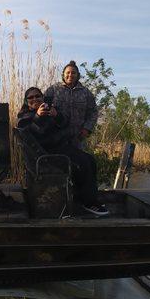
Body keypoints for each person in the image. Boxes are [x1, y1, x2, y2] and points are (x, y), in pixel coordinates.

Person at [17, 87, 109, 216]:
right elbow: (31, 134)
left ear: (42, 97)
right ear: (26, 101)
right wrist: (38, 116)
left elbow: (65, 123)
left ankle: (85, 198)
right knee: (82, 164)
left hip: (63, 149)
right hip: (48, 155)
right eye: (30, 97)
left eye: (38, 96)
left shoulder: (50, 111)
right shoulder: (24, 117)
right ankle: (89, 202)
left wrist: (56, 115)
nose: (35, 99)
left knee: (90, 160)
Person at [44, 60, 98, 149]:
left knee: (78, 161)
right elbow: (45, 106)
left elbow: (93, 112)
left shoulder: (85, 93)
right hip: (57, 137)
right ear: (63, 75)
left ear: (78, 75)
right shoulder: (53, 90)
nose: (70, 75)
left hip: (78, 138)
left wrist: (87, 129)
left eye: (73, 73)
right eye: (67, 72)